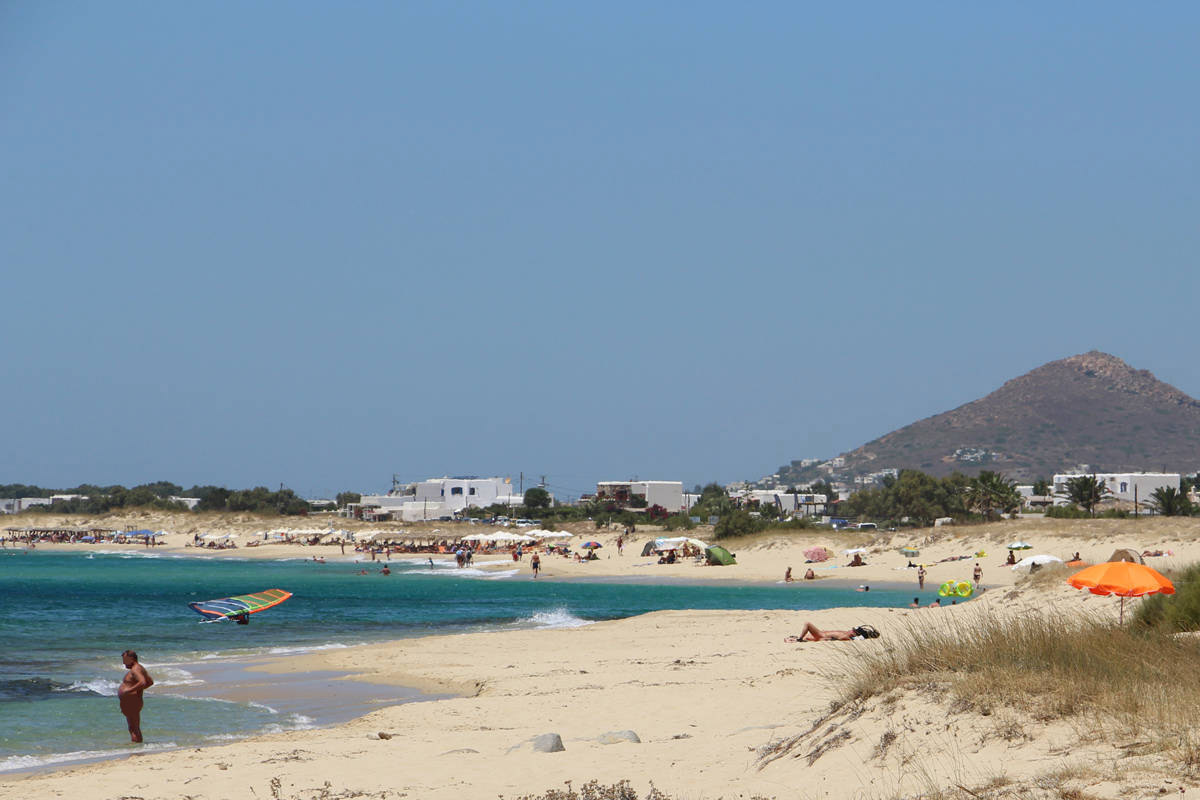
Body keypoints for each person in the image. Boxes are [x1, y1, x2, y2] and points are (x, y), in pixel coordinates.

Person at [118, 650, 154, 743]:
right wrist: (137, 691)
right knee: (134, 727)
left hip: (132, 702)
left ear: (131, 658)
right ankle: (137, 747)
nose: (123, 663)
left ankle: (136, 749)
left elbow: (142, 682)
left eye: (125, 660)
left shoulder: (135, 669)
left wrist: (128, 691)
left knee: (133, 727)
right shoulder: (139, 668)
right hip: (133, 701)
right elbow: (150, 682)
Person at [785, 622, 856, 642]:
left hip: (822, 635)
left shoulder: (846, 636)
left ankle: (799, 639)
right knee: (807, 627)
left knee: (807, 624)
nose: (851, 630)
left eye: (791, 640)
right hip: (822, 634)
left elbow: (840, 638)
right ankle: (797, 638)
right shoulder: (845, 632)